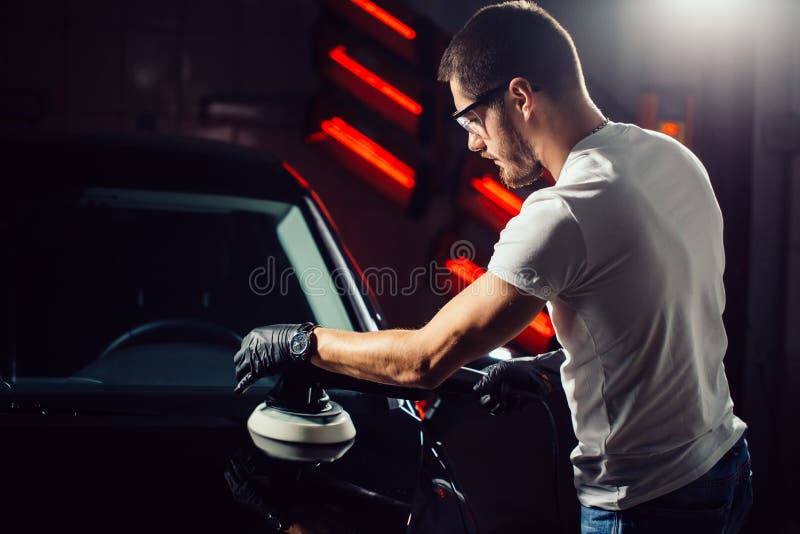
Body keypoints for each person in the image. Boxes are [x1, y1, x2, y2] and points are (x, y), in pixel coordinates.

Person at [234, 1, 752, 532]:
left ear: (520, 96)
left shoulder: (564, 212)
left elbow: (423, 361)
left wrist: (300, 343)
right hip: (723, 466)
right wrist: (549, 370)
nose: (472, 142)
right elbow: (661, 317)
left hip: (645, 504)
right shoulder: (672, 157)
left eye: (473, 118)